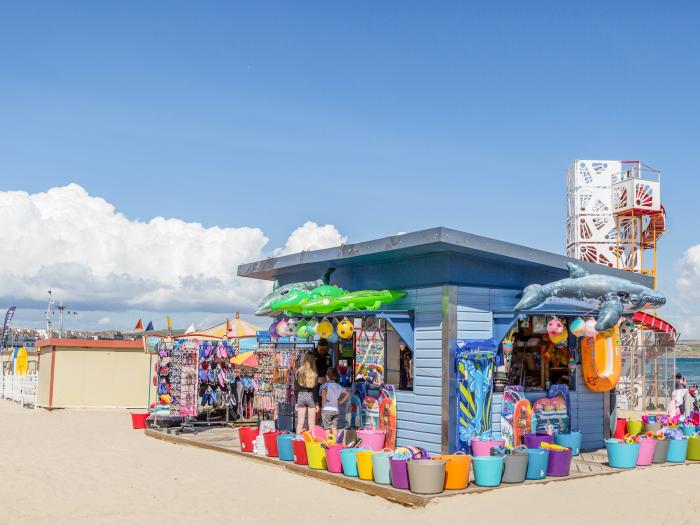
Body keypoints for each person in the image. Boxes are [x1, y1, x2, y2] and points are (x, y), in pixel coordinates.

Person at [320, 367, 350, 436]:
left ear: (327, 376)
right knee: (334, 428)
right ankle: (334, 444)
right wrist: (340, 402)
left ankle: (327, 444)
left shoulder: (326, 385)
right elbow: (348, 393)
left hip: (326, 409)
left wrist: (324, 400)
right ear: (336, 376)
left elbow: (324, 396)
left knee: (327, 428)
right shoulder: (338, 386)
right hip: (335, 410)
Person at [295, 352, 318, 434]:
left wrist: (296, 402)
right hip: (311, 395)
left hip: (301, 394)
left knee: (300, 423)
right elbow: (315, 389)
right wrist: (317, 403)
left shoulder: (299, 371)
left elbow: (296, 388)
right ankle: (311, 442)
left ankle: (298, 441)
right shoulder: (314, 373)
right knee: (311, 423)